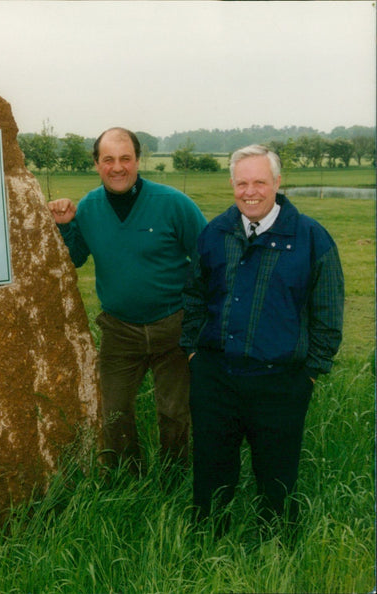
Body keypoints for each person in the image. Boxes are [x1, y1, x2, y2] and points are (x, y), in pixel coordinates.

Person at [180, 144, 344, 532]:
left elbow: (328, 313)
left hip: (280, 383)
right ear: (232, 185)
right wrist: (193, 353)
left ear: (277, 183)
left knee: (276, 477)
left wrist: (310, 373)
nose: (250, 191)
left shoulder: (311, 238)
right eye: (242, 183)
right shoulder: (215, 232)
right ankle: (207, 543)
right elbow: (194, 295)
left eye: (259, 182)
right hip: (216, 378)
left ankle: (276, 550)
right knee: (211, 472)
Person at [48, 127, 206, 477]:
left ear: (137, 160)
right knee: (115, 411)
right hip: (120, 330)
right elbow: (74, 257)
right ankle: (125, 478)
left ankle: (174, 476)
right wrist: (63, 225)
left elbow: (208, 259)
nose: (117, 167)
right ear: (96, 164)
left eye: (125, 159)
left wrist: (200, 318)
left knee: (174, 411)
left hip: (173, 326)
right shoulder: (89, 208)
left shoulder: (173, 204)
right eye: (108, 160)